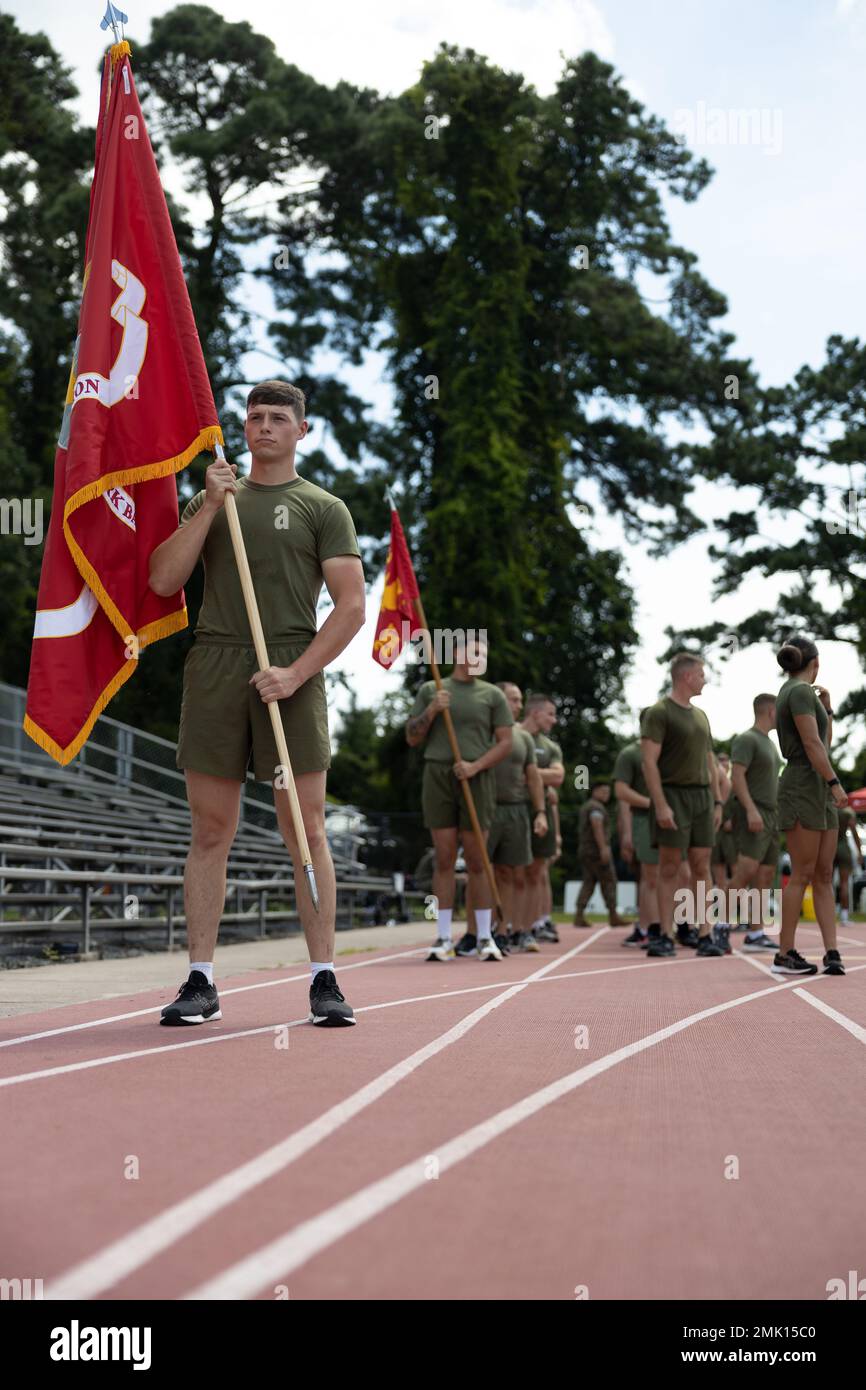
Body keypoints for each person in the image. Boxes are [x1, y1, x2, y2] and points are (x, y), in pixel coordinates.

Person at [149, 380, 366, 1027]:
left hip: (289, 669)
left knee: (303, 830)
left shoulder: (323, 506)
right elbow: (163, 578)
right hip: (216, 662)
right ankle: (201, 980)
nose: (263, 426)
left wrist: (297, 674)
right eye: (254, 417)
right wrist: (211, 507)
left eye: (278, 418)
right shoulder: (214, 497)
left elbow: (352, 609)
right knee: (211, 830)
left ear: (303, 430)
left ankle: (325, 978)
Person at [406, 635, 513, 962]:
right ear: (457, 653)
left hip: (476, 778)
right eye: (475, 650)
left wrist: (476, 765)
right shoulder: (432, 689)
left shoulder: (493, 695)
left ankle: (483, 936)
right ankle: (442, 937)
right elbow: (412, 737)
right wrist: (433, 710)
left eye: (484, 651)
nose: (480, 656)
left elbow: (505, 742)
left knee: (479, 859)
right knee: (444, 858)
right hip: (439, 773)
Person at [640, 652, 725, 958]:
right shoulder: (660, 712)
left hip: (702, 796)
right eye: (702, 674)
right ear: (687, 676)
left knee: (703, 866)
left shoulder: (702, 716)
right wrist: (660, 805)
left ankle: (705, 933)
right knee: (670, 866)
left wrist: (717, 801)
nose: (705, 680)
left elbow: (710, 760)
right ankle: (665, 934)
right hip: (672, 794)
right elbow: (648, 762)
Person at [774, 635, 848, 976]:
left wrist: (828, 709)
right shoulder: (799, 691)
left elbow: (823, 742)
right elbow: (810, 744)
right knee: (803, 873)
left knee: (822, 874)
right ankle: (785, 953)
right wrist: (835, 783)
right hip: (805, 784)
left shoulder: (803, 693)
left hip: (816, 785)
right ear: (814, 663)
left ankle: (831, 952)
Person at [482, 683, 548, 954]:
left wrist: (540, 812)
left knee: (510, 872)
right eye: (513, 699)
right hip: (485, 808)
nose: (519, 705)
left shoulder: (524, 739)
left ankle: (502, 930)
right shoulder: (484, 733)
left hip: (517, 810)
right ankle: (478, 931)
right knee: (482, 872)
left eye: (520, 700)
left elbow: (533, 777)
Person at [726, 694, 782, 951]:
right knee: (744, 871)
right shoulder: (747, 739)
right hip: (753, 811)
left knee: (766, 875)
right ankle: (718, 926)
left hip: (771, 815)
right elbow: (736, 776)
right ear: (770, 711)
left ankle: (756, 933)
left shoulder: (770, 744)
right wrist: (750, 810)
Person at [520, 694, 567, 942]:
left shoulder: (551, 747)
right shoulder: (512, 735)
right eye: (550, 714)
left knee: (537, 872)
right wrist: (540, 776)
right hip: (515, 809)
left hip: (541, 813)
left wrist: (527, 772)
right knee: (511, 871)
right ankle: (506, 925)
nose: (554, 720)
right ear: (535, 713)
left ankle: (530, 927)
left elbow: (559, 777)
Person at [615, 720, 659, 947]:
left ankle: (667, 926)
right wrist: (627, 833)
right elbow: (622, 795)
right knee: (649, 876)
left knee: (672, 874)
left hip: (667, 819)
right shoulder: (630, 754)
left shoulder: (666, 751)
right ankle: (647, 928)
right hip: (643, 819)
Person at [573, 782, 624, 926]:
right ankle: (613, 914)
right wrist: (603, 847)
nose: (606, 795)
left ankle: (579, 914)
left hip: (585, 850)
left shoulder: (587, 806)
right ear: (594, 791)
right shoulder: (596, 808)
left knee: (589, 882)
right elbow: (597, 825)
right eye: (603, 791)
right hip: (595, 851)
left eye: (608, 792)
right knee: (609, 880)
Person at [834, 806, 863, 925]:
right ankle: (844, 916)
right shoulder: (847, 813)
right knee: (844, 883)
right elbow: (854, 832)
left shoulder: (828, 810)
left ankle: (828, 913)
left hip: (829, 848)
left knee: (824, 883)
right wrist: (859, 853)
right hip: (843, 848)